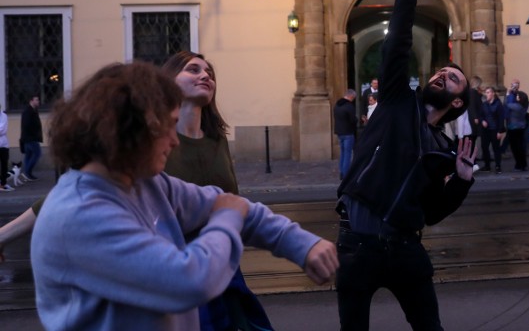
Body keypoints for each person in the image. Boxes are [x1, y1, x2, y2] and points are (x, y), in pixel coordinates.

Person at [30, 62, 338, 331]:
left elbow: (236, 206)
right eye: (168, 127)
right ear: (131, 129)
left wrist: (302, 244)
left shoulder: (147, 183)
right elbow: (189, 280)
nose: (175, 141)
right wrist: (226, 218)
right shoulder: (79, 214)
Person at [335, 0, 476, 331]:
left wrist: (461, 181)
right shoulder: (397, 100)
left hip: (406, 248)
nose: (441, 76)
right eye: (440, 71)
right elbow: (397, 41)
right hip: (357, 243)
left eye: (450, 79)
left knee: (431, 328)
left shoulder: (444, 149)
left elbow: (431, 213)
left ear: (457, 102)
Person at [504, 79, 529, 171]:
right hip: (521, 127)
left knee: (515, 148)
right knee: (521, 146)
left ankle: (519, 164)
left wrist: (507, 94)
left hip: (513, 127)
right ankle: (524, 165)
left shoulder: (516, 106)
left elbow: (506, 104)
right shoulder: (524, 106)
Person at [479, 86, 505, 173]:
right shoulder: (484, 104)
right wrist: (482, 121)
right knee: (484, 147)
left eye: (489, 92)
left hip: (495, 130)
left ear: (493, 93)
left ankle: (498, 166)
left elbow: (501, 118)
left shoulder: (498, 104)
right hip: (485, 130)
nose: (487, 94)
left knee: (496, 148)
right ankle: (487, 166)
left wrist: (500, 131)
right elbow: (481, 115)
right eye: (486, 92)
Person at [334, 89, 358, 179]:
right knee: (347, 154)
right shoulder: (349, 106)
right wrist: (357, 120)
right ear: (351, 96)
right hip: (348, 132)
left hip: (339, 131)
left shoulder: (337, 105)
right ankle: (345, 173)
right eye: (353, 98)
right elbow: (353, 120)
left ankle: (341, 171)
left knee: (343, 153)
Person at [20, 94, 42, 181]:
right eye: (36, 100)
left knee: (28, 156)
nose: (38, 101)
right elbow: (27, 125)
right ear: (31, 101)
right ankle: (27, 172)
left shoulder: (33, 110)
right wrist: (34, 134)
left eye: (38, 100)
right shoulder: (28, 111)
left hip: (28, 137)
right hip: (30, 138)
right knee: (37, 154)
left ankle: (27, 174)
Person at [0, 104, 11, 191]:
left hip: (3, 144)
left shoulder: (4, 116)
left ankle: (3, 184)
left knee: (4, 165)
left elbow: (3, 130)